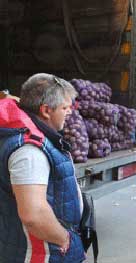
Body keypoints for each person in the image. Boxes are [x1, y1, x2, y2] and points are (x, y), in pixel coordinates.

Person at [0, 73, 86, 262]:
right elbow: (34, 214)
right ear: (46, 110)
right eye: (65, 107)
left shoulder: (34, 140)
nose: (69, 112)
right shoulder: (29, 151)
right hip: (43, 254)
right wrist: (64, 240)